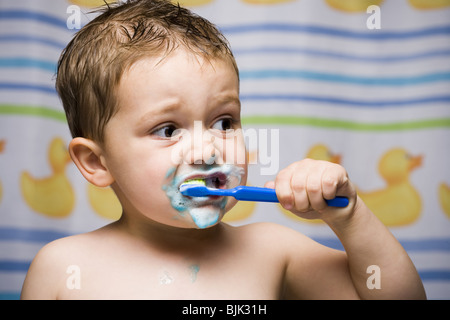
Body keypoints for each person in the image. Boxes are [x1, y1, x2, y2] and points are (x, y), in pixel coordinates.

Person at [21, 0, 426, 299]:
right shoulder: (63, 267)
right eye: (167, 129)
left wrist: (350, 216)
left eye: (224, 122)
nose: (208, 148)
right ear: (96, 161)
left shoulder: (272, 251)